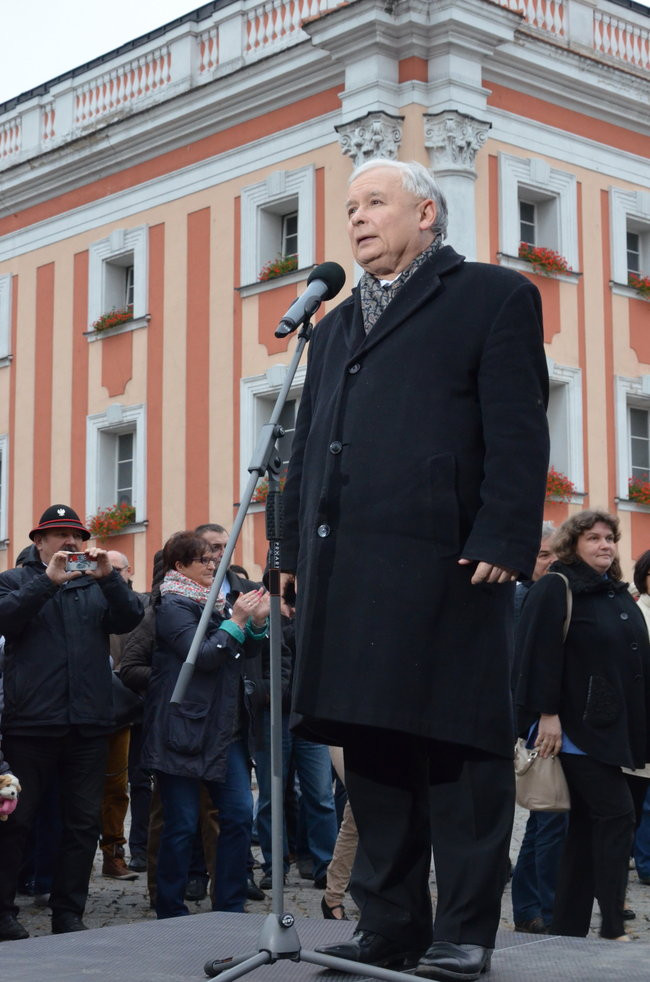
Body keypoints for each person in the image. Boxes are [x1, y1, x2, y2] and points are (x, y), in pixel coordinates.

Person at [281, 158, 549, 981]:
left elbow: (519, 428)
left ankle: (464, 931)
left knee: (459, 756)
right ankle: (388, 925)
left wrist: (505, 536)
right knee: (375, 754)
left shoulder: (493, 296)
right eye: (351, 206)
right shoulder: (329, 328)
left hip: (451, 567)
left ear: (426, 214)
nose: (357, 218)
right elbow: (300, 449)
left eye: (375, 203)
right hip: (349, 573)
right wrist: (286, 552)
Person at [0, 505, 144, 940]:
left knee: (82, 824)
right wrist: (47, 582)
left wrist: (110, 578)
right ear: (38, 542)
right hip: (30, 726)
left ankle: (69, 913)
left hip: (88, 725)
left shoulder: (95, 584)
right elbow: (6, 619)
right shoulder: (15, 580)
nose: (70, 542)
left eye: (75, 535)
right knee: (16, 822)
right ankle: (4, 912)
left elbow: (131, 618)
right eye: (58, 534)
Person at [516, 510, 650, 941]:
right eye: (593, 538)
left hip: (613, 728)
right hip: (572, 731)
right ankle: (612, 924)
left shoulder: (613, 592)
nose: (605, 545)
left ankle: (567, 928)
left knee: (584, 831)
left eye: (610, 538)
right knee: (617, 816)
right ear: (573, 543)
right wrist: (547, 714)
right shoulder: (556, 586)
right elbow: (536, 653)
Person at [140, 531, 269, 918]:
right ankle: (171, 908)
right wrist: (238, 620)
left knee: (238, 815)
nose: (213, 565)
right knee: (180, 824)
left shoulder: (213, 603)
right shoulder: (172, 604)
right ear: (180, 566)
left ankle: (229, 904)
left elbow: (245, 652)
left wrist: (256, 625)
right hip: (182, 729)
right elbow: (203, 655)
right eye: (204, 560)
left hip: (221, 730)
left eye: (214, 560)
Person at [510, 522, 569, 934]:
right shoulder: (516, 601)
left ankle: (532, 906)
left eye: (554, 554)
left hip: (552, 721)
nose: (550, 562)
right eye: (542, 554)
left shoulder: (556, 593)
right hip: (532, 721)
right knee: (549, 818)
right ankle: (541, 910)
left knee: (547, 818)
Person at [100, 550, 149, 880]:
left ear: (129, 571)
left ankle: (116, 854)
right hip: (96, 707)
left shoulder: (139, 607)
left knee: (123, 787)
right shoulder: (91, 600)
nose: (112, 575)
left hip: (134, 707)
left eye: (117, 569)